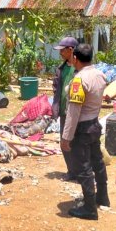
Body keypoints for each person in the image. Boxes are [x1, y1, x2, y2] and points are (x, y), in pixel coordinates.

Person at [60, 43, 109, 220]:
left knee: (83, 167)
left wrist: (66, 137)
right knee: (97, 162)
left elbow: (74, 111)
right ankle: (102, 197)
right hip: (94, 124)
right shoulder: (100, 75)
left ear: (76, 59)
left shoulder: (79, 80)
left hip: (82, 128)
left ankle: (89, 208)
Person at [51, 36, 78, 182]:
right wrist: (55, 108)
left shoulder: (81, 69)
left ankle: (80, 172)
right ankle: (71, 171)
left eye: (63, 50)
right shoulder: (61, 69)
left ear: (71, 50)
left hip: (76, 113)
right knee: (65, 143)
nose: (60, 53)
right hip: (63, 111)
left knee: (77, 144)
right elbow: (56, 89)